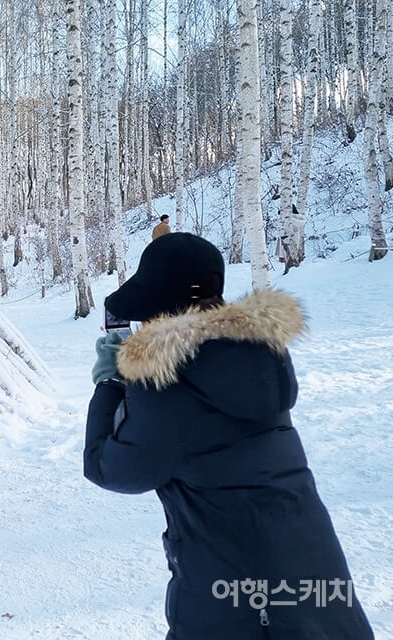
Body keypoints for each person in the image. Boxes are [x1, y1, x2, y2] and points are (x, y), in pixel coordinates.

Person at [84, 233, 374, 639]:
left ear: (159, 309)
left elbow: (108, 467)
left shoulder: (167, 382)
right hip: (320, 588)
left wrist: (110, 382)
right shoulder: (259, 356)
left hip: (236, 602)